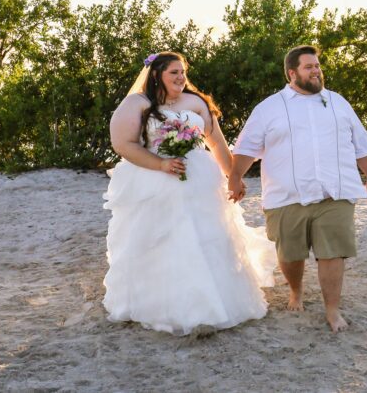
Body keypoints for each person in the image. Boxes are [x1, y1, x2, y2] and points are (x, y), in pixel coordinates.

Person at [103, 51, 276, 335]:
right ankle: (159, 303)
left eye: (183, 72)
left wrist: (233, 177)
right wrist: (160, 163)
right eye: (174, 72)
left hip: (199, 178)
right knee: (161, 238)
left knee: (208, 237)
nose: (181, 78)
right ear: (157, 74)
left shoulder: (196, 102)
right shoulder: (137, 103)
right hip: (153, 177)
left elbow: (217, 143)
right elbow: (123, 144)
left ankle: (215, 303)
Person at [228, 45, 367, 333]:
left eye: (318, 65)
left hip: (335, 193)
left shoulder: (338, 103)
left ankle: (332, 311)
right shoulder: (269, 108)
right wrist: (235, 177)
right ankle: (296, 291)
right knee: (290, 255)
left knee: (333, 252)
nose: (316, 71)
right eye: (309, 66)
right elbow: (246, 147)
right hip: (287, 196)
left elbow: (360, 143)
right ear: (292, 73)